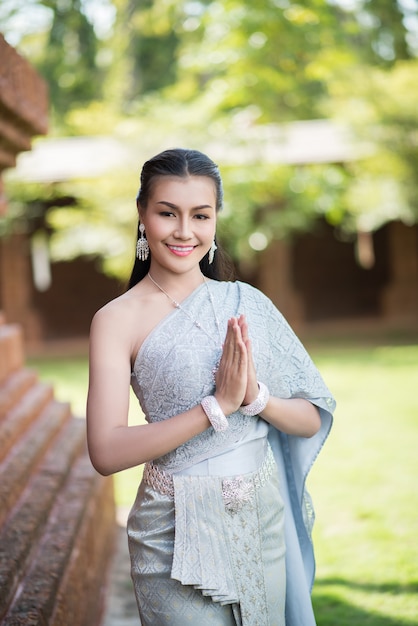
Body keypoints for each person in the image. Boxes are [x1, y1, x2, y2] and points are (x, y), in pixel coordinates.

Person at [86, 148, 335, 626]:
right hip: (171, 533)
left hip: (258, 521)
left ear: (215, 220)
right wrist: (215, 407)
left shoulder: (247, 303)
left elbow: (308, 418)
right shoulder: (115, 320)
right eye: (167, 213)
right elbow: (106, 450)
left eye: (200, 215)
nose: (184, 231)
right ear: (142, 215)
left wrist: (254, 398)